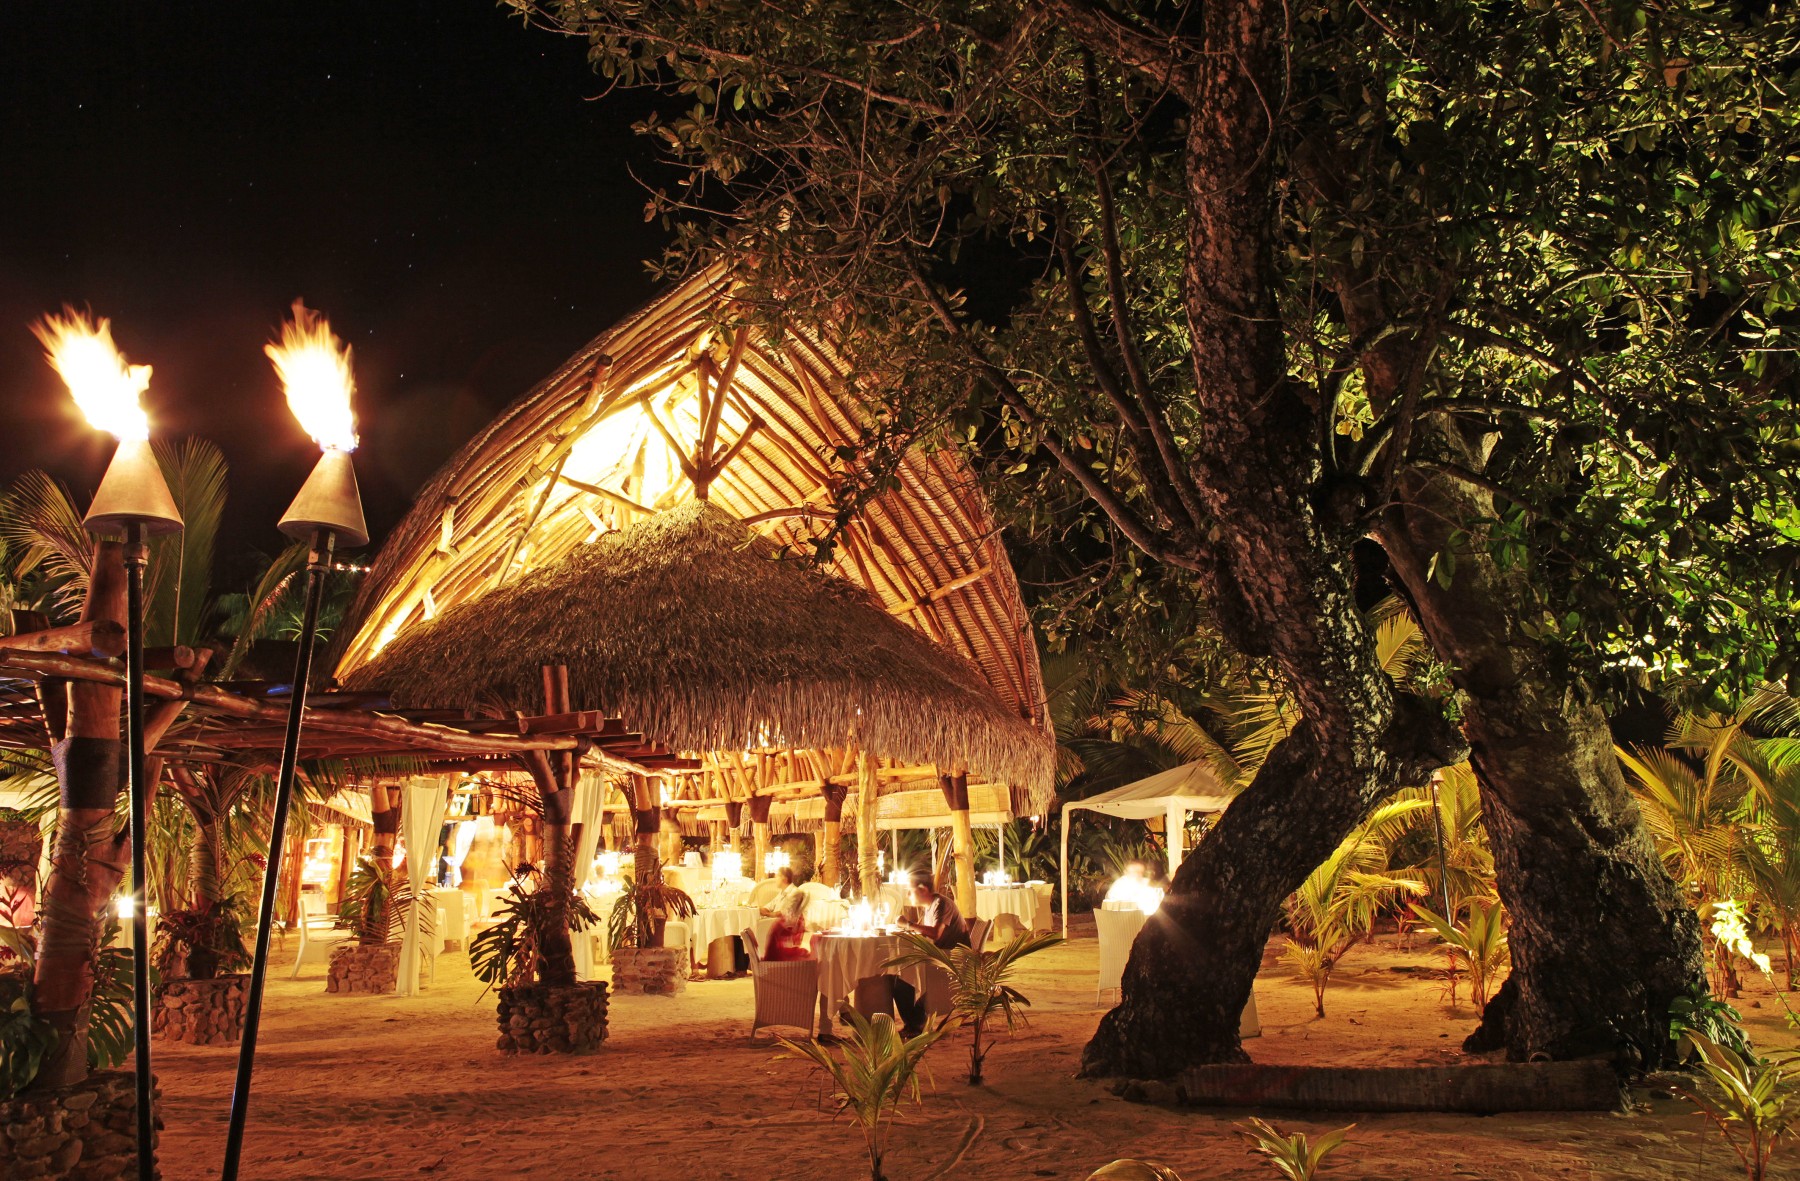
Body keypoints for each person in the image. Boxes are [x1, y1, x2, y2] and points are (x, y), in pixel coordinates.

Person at [890, 869, 968, 1035]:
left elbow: (935, 933)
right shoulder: (930, 906)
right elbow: (925, 931)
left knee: (901, 980)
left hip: (951, 958)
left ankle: (916, 1025)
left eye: (910, 891)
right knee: (902, 973)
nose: (909, 895)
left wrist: (908, 924)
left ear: (923, 889)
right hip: (940, 955)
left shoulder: (941, 904)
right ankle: (917, 1022)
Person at [763, 890, 811, 961]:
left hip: (776, 959)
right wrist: (798, 951)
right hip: (776, 963)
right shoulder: (784, 925)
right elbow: (780, 950)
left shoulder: (786, 921)